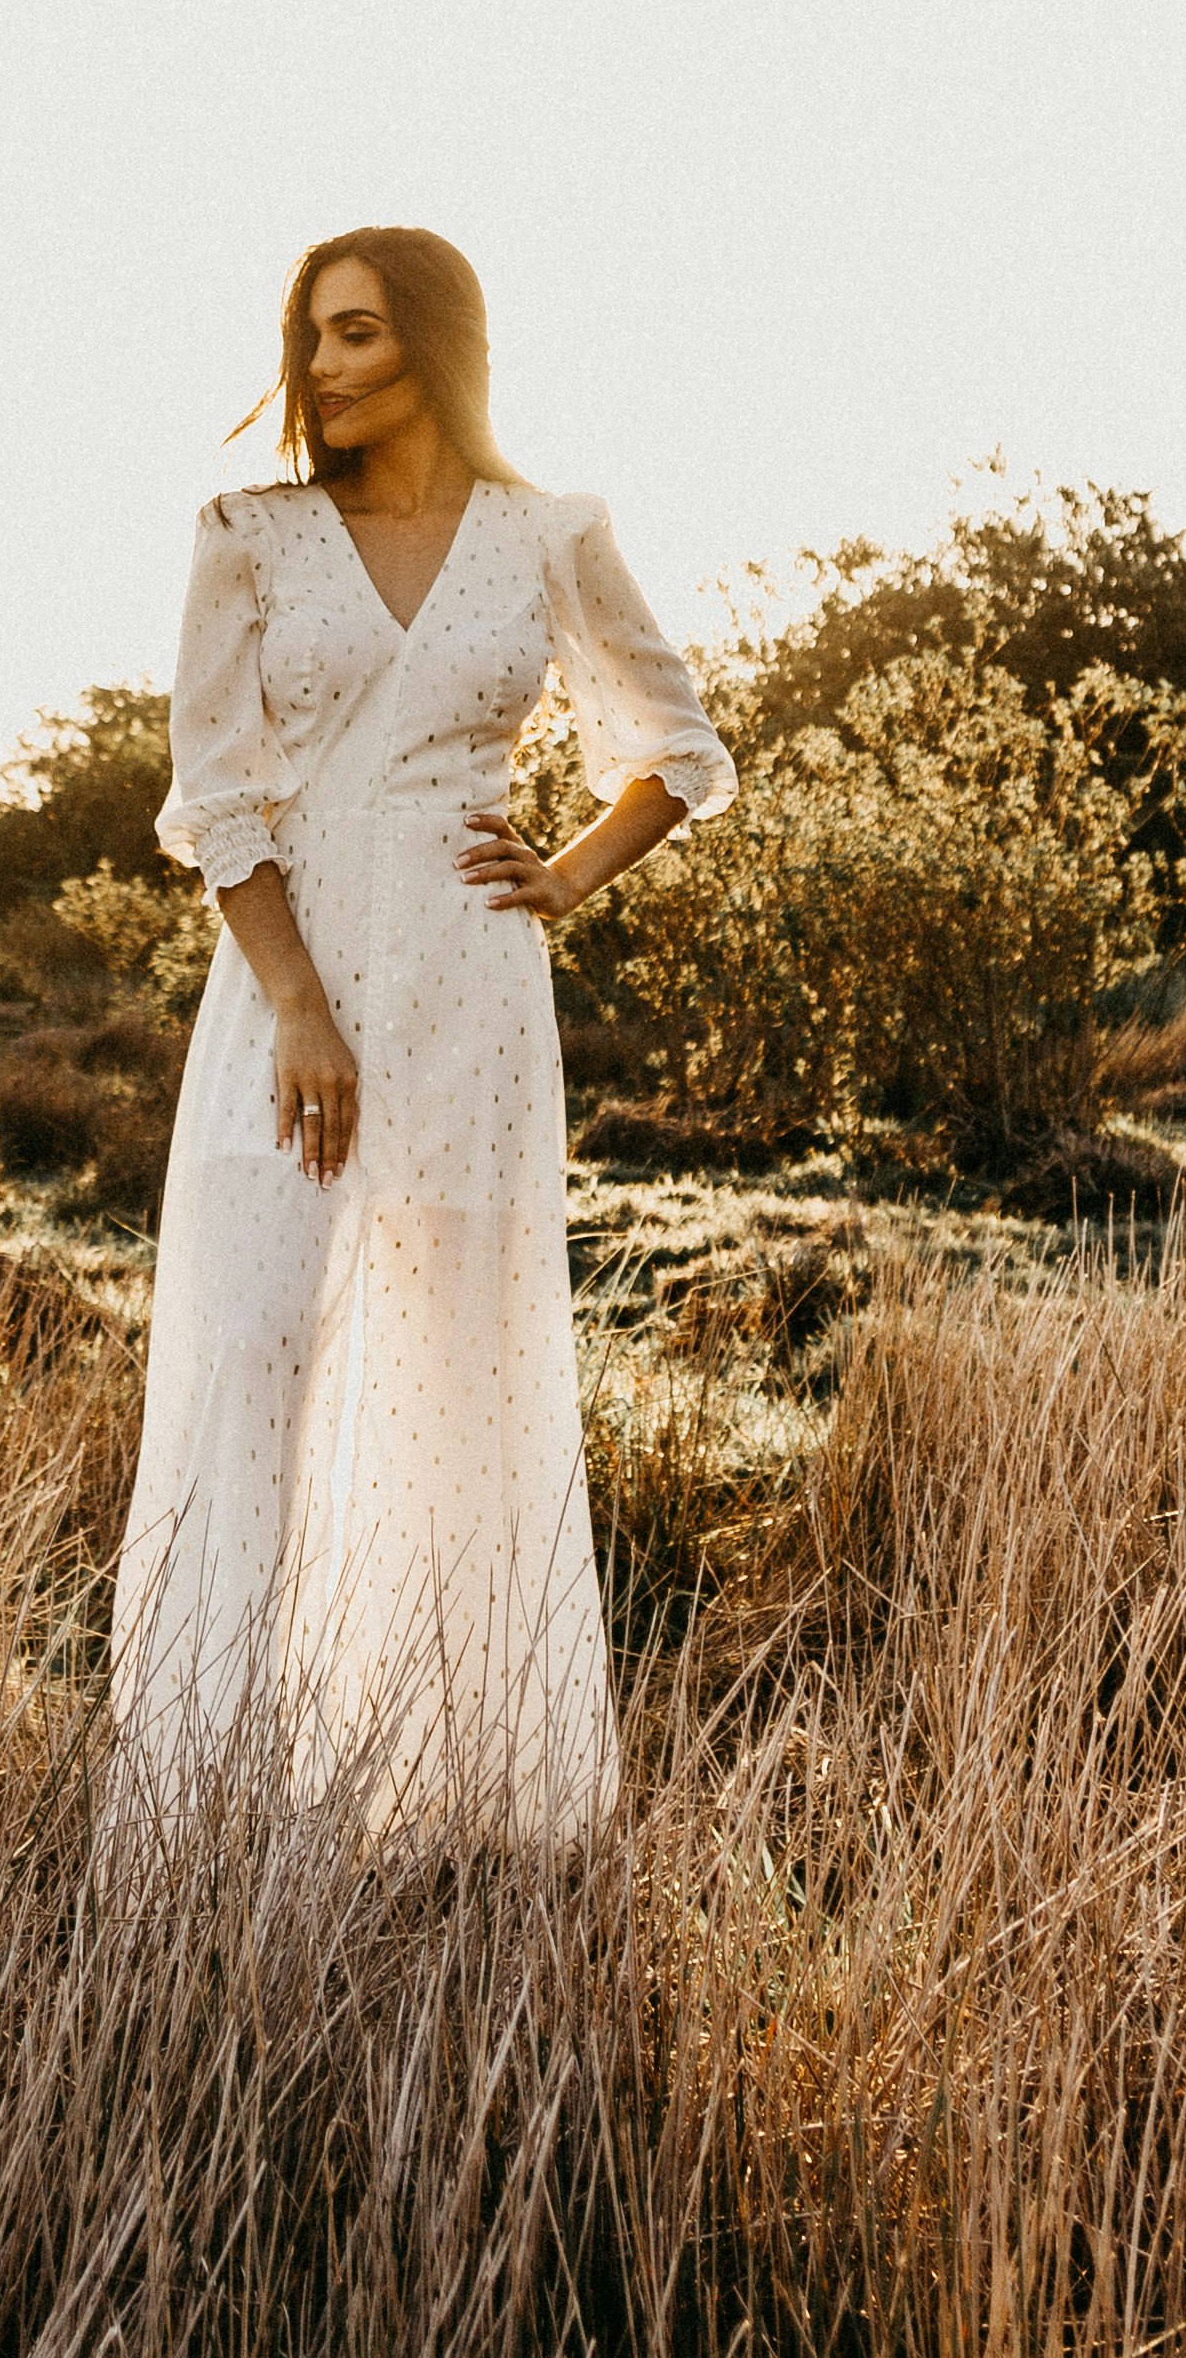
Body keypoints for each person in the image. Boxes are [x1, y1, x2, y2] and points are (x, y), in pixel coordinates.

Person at [107, 223, 735, 1842]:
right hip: (284, 989)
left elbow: (676, 741)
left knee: (454, 1361)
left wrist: (572, 874)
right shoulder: (246, 534)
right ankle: (210, 1808)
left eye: (359, 336)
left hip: (472, 990)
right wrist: (300, 1008)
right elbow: (215, 795)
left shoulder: (548, 535)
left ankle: (459, 1795)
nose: (320, 369)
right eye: (311, 337)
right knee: (254, 1352)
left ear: (437, 348)